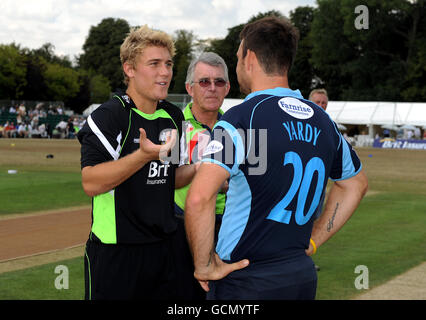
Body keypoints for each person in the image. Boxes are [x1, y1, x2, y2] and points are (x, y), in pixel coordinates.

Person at [184, 16, 368, 300]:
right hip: (300, 276)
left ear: (250, 59)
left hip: (246, 279)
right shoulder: (323, 120)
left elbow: (199, 197)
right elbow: (355, 184)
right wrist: (314, 242)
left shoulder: (241, 119)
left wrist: (204, 265)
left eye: (237, 57)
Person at [77, 25, 194, 300]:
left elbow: (171, 178)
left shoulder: (174, 116)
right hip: (117, 251)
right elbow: (91, 182)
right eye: (154, 64)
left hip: (164, 248)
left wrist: (204, 165)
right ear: (129, 69)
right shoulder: (110, 116)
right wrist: (142, 156)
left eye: (168, 64)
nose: (165, 72)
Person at [173, 52, 230, 300]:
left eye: (219, 82)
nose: (212, 88)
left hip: (227, 226)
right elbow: (168, 180)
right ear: (190, 87)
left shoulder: (236, 127)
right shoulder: (173, 125)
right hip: (183, 225)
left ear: (227, 87)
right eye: (204, 82)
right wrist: (203, 171)